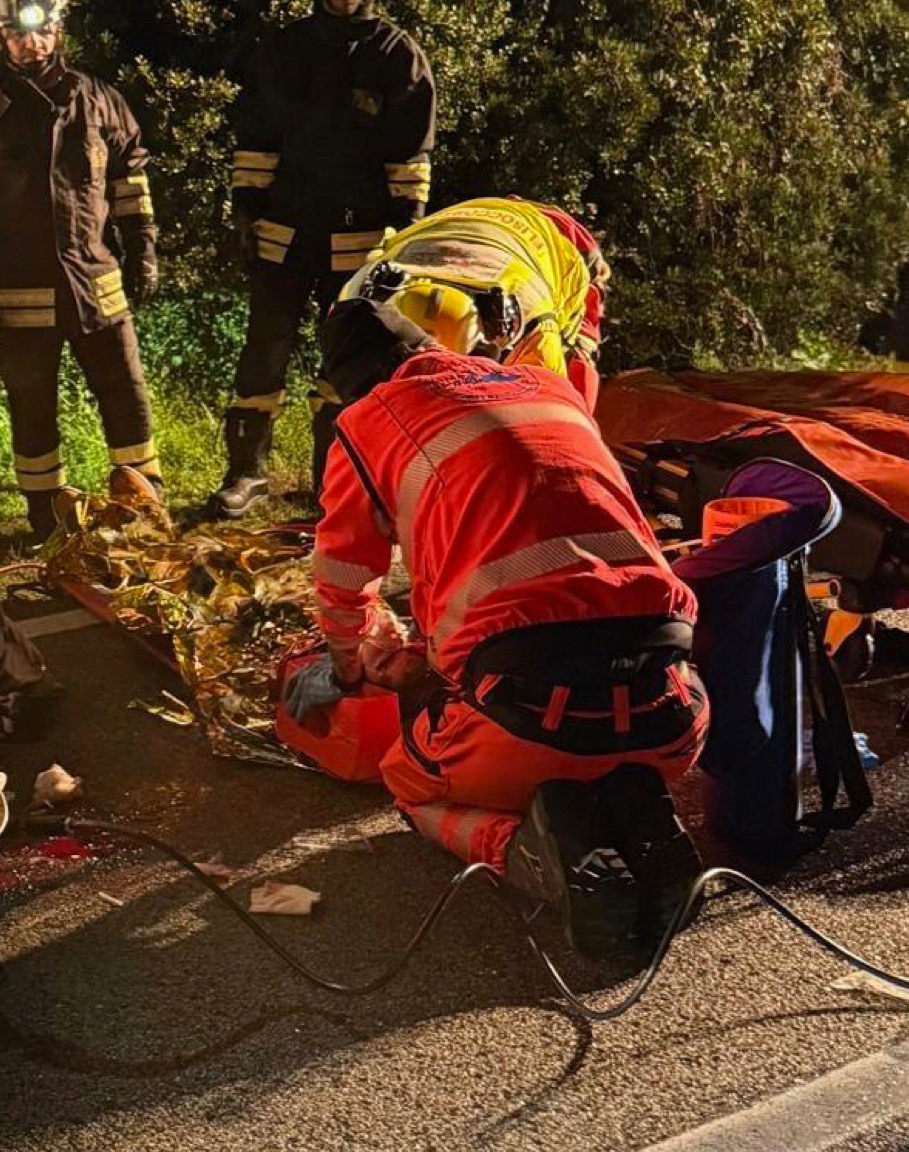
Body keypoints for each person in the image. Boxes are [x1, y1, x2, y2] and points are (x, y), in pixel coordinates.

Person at [285, 300, 709, 959]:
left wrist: (346, 665)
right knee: (620, 707)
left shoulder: (370, 420)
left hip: (528, 726)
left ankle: (527, 850)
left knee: (406, 782)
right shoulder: (546, 386)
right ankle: (635, 804)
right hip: (670, 719)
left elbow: (343, 574)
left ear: (352, 383)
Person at [0, 0, 162, 538]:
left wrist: (143, 248)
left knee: (126, 394)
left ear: (58, 32)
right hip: (20, 295)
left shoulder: (100, 101)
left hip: (97, 286)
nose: (31, 45)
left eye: (41, 34)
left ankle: (145, 506)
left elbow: (130, 180)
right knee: (32, 408)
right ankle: (46, 517)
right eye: (17, 36)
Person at [207, 0, 435, 521]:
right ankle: (247, 475)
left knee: (348, 361)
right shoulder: (286, 47)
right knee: (262, 353)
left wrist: (405, 229)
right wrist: (246, 209)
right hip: (283, 231)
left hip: (359, 239)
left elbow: (411, 153)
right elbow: (257, 136)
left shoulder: (397, 54)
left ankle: (333, 481)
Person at [337, 196, 612, 406]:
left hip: (563, 243)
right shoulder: (357, 304)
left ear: (490, 340)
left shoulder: (536, 337)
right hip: (474, 224)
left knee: (572, 390)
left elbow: (552, 425)